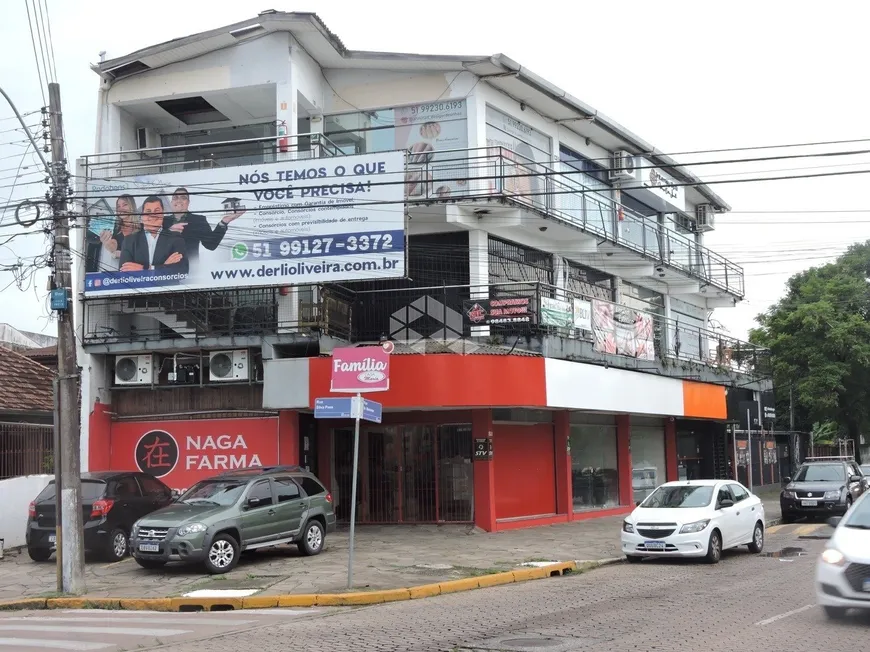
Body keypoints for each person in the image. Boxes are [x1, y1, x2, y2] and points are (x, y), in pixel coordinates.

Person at [165, 187, 244, 263]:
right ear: (172, 202)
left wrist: (224, 222)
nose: (179, 200)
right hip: (163, 272)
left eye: (183, 198)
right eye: (175, 198)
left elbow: (211, 245)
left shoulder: (198, 220)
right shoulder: (162, 222)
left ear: (188, 202)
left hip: (190, 271)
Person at [120, 195, 188, 274]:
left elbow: (183, 270)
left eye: (157, 211)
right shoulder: (129, 241)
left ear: (163, 214)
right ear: (142, 216)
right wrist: (164, 266)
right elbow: (123, 274)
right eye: (148, 212)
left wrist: (145, 268)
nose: (153, 215)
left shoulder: (175, 238)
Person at [85, 195, 140, 273]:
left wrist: (120, 254)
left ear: (132, 206)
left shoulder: (142, 228)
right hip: (121, 272)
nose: (121, 209)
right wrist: (107, 243)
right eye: (118, 206)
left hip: (140, 272)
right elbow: (113, 246)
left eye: (125, 205)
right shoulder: (116, 228)